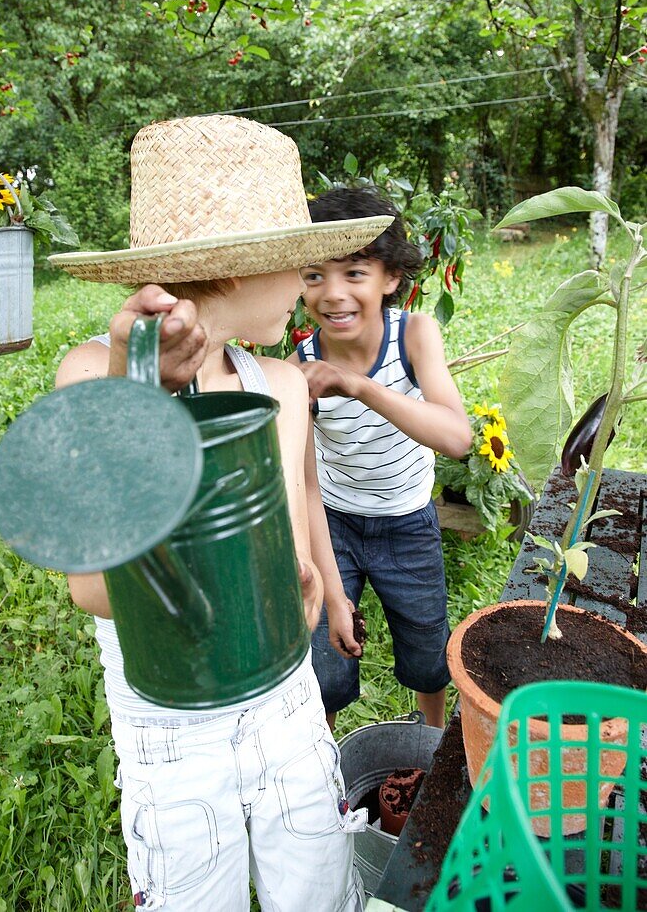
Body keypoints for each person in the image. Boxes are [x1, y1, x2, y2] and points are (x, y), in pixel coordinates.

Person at [49, 116, 393, 912]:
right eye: (298, 268)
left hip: (284, 697)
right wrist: (143, 398)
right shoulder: (91, 376)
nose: (311, 288)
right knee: (190, 889)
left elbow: (299, 511)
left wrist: (316, 586)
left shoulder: (278, 385)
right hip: (172, 720)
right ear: (239, 273)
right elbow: (95, 588)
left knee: (311, 874)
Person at [287, 187, 472, 732]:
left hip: (408, 522)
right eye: (315, 275)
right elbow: (308, 486)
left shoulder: (415, 334)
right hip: (335, 525)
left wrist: (358, 386)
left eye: (354, 273)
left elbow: (457, 436)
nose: (333, 293)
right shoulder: (301, 364)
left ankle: (431, 742)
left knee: (426, 652)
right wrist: (333, 587)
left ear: (391, 278)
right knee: (327, 660)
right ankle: (322, 764)